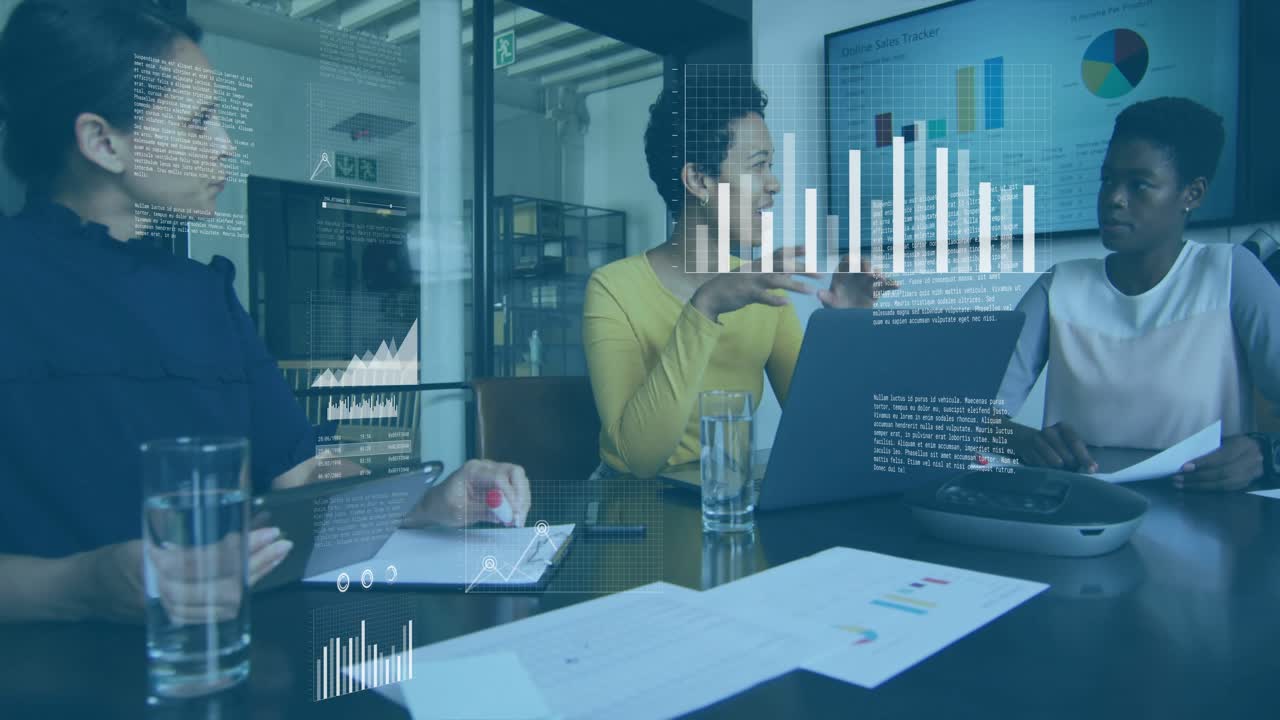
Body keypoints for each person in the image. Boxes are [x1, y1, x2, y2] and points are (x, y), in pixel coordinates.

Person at [0, 0, 530, 623]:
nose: (225, 146)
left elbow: (301, 475)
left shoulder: (204, 295)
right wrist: (84, 585)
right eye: (199, 122)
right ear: (101, 141)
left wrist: (427, 502)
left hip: (232, 647)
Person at [583, 70, 895, 479]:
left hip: (726, 494)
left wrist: (846, 329)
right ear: (699, 180)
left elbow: (826, 429)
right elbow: (638, 459)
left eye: (771, 165)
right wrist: (705, 305)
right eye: (758, 165)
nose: (774, 184)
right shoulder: (613, 288)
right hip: (631, 504)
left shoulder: (760, 286)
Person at [998, 96, 1280, 492]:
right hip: (1083, 510)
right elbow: (972, 416)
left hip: (1206, 512)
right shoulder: (1059, 286)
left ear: (1192, 194)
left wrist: (1267, 453)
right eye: (1107, 180)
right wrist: (1021, 441)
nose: (1114, 198)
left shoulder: (1232, 274)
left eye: (1139, 184)